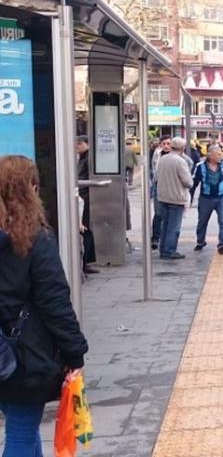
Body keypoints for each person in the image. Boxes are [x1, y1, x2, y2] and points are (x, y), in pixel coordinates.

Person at [0, 155, 88, 455]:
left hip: (3, 352)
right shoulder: (34, 240)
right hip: (25, 354)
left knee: (22, 423)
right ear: (32, 190)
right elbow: (55, 303)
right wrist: (75, 352)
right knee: (21, 431)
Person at [192, 145, 223, 255]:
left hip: (222, 197)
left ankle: (222, 244)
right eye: (218, 154)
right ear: (210, 156)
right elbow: (194, 183)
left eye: (221, 154)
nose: (221, 156)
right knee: (202, 222)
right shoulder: (200, 167)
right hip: (206, 198)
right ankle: (200, 242)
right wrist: (189, 198)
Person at [155, 137, 193, 260]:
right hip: (176, 197)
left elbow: (156, 176)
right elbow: (188, 182)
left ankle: (163, 249)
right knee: (174, 227)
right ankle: (170, 250)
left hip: (162, 197)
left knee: (165, 224)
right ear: (182, 148)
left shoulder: (163, 159)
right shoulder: (180, 161)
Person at [76, 136, 97, 274]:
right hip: (83, 194)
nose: (77, 145)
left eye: (80, 143)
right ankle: (86, 261)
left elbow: (88, 177)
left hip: (86, 195)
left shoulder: (88, 158)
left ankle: (86, 261)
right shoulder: (81, 157)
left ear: (88, 144)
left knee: (85, 228)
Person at [150, 135, 172, 250]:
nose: (166, 146)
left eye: (168, 144)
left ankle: (166, 239)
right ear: (160, 145)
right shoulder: (156, 154)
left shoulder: (176, 155)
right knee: (158, 214)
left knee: (169, 214)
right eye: (164, 144)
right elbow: (152, 168)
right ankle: (155, 238)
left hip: (171, 187)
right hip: (158, 185)